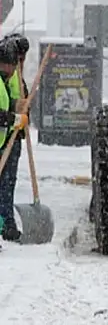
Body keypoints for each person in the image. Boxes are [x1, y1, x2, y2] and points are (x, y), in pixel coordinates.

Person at [0, 37, 31, 243]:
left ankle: (6, 224)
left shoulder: (10, 78)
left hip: (8, 137)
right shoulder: (6, 77)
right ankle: (6, 224)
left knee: (6, 184)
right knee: (5, 184)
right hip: (6, 136)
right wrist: (14, 117)